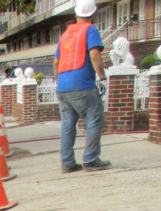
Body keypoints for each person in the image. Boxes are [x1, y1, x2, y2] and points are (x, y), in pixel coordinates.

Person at [53, 0, 109, 173]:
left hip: (63, 87)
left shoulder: (65, 35)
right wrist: (102, 77)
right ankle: (91, 160)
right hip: (82, 85)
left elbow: (56, 62)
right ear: (93, 15)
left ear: (76, 14)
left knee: (68, 124)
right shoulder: (90, 29)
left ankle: (67, 163)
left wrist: (60, 81)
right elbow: (94, 54)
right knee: (94, 119)